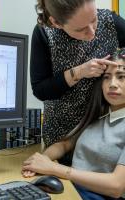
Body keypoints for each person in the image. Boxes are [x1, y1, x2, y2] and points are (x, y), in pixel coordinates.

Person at [23, 48, 125, 199]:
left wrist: (53, 168)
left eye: (121, 76)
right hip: (69, 188)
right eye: (106, 77)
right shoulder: (99, 115)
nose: (112, 84)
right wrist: (41, 160)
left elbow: (116, 187)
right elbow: (64, 145)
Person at [31, 0, 125, 163]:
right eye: (81, 29)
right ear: (57, 22)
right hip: (62, 136)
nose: (92, 33)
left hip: (105, 134)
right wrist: (80, 72)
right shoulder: (44, 33)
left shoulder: (111, 22)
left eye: (94, 20)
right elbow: (41, 90)